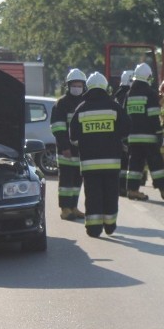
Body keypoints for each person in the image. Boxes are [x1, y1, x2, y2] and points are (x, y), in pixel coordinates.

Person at [68, 72, 130, 237]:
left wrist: (86, 142)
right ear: (105, 87)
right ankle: (110, 225)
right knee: (111, 194)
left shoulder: (81, 109)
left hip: (89, 164)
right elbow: (126, 130)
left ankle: (94, 229)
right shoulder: (114, 107)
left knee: (93, 196)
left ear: (87, 87)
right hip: (112, 163)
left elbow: (73, 138)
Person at [124, 62, 164, 201]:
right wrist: (159, 134)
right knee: (156, 163)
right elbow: (154, 117)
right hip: (148, 137)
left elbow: (124, 115)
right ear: (148, 77)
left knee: (135, 164)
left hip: (133, 137)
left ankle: (132, 190)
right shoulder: (150, 93)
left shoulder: (129, 94)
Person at [51, 68, 87, 220]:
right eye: (75, 85)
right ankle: (65, 209)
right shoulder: (61, 104)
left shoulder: (85, 102)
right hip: (66, 150)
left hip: (81, 150)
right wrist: (65, 146)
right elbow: (58, 128)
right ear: (69, 85)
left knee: (77, 182)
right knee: (66, 181)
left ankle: (73, 207)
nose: (77, 88)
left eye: (79, 85)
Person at [113, 70, 133, 196]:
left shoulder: (117, 95)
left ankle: (120, 187)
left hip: (116, 133)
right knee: (126, 162)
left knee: (121, 162)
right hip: (126, 133)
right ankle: (123, 187)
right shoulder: (128, 95)